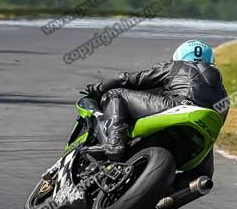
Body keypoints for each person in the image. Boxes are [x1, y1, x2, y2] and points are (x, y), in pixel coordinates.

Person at [83, 39, 229, 164]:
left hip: (179, 107)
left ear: (179, 55)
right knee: (204, 167)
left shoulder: (177, 66)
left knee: (116, 94)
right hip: (203, 133)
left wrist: (97, 88)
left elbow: (130, 78)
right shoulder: (222, 89)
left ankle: (114, 143)